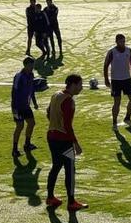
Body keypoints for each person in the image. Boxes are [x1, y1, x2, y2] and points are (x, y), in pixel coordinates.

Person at [46, 74, 88, 211]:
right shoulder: (69, 101)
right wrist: (76, 143)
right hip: (63, 140)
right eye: (80, 85)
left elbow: (48, 112)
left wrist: (55, 122)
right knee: (70, 169)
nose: (81, 88)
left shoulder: (56, 95)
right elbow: (68, 126)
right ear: (73, 85)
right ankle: (71, 202)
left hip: (51, 136)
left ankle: (50, 197)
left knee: (56, 167)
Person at [103, 34, 131, 130]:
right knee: (117, 102)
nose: (123, 43)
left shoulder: (128, 50)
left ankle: (127, 118)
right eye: (121, 41)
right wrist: (106, 79)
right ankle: (114, 122)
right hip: (116, 80)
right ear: (116, 42)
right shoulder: (112, 52)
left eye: (124, 41)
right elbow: (106, 65)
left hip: (127, 79)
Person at [12, 57, 40, 157]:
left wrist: (34, 102)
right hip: (17, 106)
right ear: (26, 65)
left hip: (26, 106)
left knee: (31, 123)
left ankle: (27, 144)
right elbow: (15, 92)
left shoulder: (31, 75)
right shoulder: (19, 76)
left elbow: (31, 90)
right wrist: (16, 107)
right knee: (20, 126)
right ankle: (14, 149)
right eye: (31, 65)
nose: (33, 67)